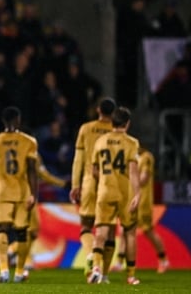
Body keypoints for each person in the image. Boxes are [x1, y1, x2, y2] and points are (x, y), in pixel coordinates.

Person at [87, 107, 141, 285]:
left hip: (105, 191)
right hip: (124, 193)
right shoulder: (131, 142)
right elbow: (133, 172)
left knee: (102, 231)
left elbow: (94, 170)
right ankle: (131, 275)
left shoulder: (100, 141)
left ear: (112, 122)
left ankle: (98, 269)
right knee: (129, 233)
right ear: (128, 123)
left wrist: (105, 179)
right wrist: (137, 193)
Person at [0, 106, 38, 283]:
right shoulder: (29, 142)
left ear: (3, 121)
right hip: (22, 192)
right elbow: (32, 169)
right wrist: (34, 194)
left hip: (1, 193)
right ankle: (20, 272)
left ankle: (3, 271)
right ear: (18, 120)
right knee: (22, 233)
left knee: (2, 230)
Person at [69, 98, 116, 276]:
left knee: (86, 226)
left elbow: (78, 159)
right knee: (109, 230)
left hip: (89, 182)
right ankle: (101, 272)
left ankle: (90, 255)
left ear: (98, 110)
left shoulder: (86, 129)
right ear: (114, 113)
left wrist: (75, 184)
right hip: (111, 185)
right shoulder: (117, 132)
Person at [7, 156, 68, 277]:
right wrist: (62, 183)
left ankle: (25, 260)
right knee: (33, 230)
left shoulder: (11, 151)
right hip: (27, 195)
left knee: (27, 230)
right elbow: (43, 174)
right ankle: (13, 249)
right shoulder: (31, 153)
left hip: (10, 194)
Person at [112, 147, 169, 274]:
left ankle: (163, 259)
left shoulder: (146, 157)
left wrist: (127, 179)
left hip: (143, 202)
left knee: (148, 231)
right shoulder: (129, 157)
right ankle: (119, 262)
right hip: (129, 201)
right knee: (123, 231)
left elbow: (144, 179)